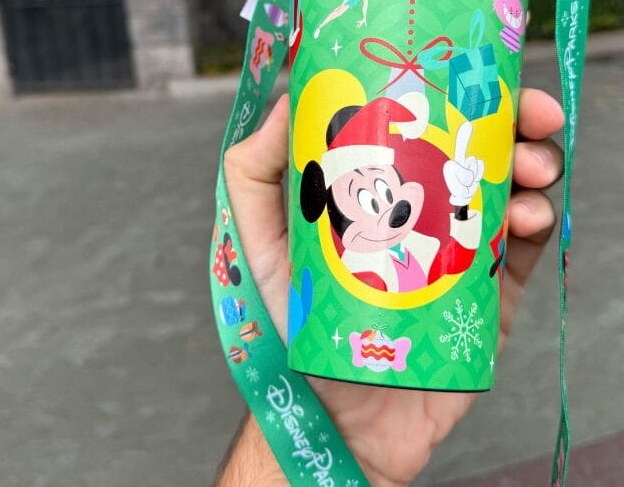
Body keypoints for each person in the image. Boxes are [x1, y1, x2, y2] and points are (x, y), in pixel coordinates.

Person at [216, 88, 566, 487]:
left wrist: (465, 202)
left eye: (386, 189)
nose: (390, 208)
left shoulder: (423, 245)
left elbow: (460, 256)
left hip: (442, 348)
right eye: (364, 199)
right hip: (331, 356)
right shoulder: (357, 269)